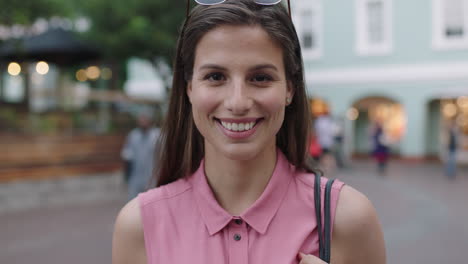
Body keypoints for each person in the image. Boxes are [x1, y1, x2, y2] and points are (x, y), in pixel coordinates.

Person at [112, 1, 386, 264]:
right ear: (189, 88)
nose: (238, 102)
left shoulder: (347, 219)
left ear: (290, 88)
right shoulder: (139, 226)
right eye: (215, 77)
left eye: (260, 78)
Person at [120, 108, 161, 200]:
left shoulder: (158, 135)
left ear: (150, 120)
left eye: (145, 118)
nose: (143, 121)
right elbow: (127, 156)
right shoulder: (133, 135)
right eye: (141, 118)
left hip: (153, 178)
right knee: (134, 205)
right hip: (136, 178)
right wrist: (126, 177)